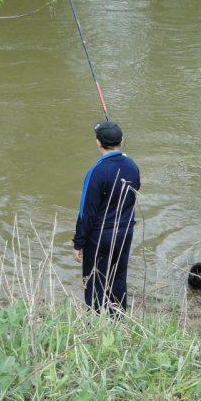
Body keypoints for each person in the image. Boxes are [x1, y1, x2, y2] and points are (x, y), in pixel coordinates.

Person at [72, 121, 141, 314]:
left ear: (97, 142)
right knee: (118, 276)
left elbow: (87, 212)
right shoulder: (132, 166)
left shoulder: (96, 171)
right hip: (125, 232)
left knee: (95, 279)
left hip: (100, 235)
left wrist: (78, 243)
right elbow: (134, 192)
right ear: (121, 141)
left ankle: (94, 320)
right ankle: (118, 318)